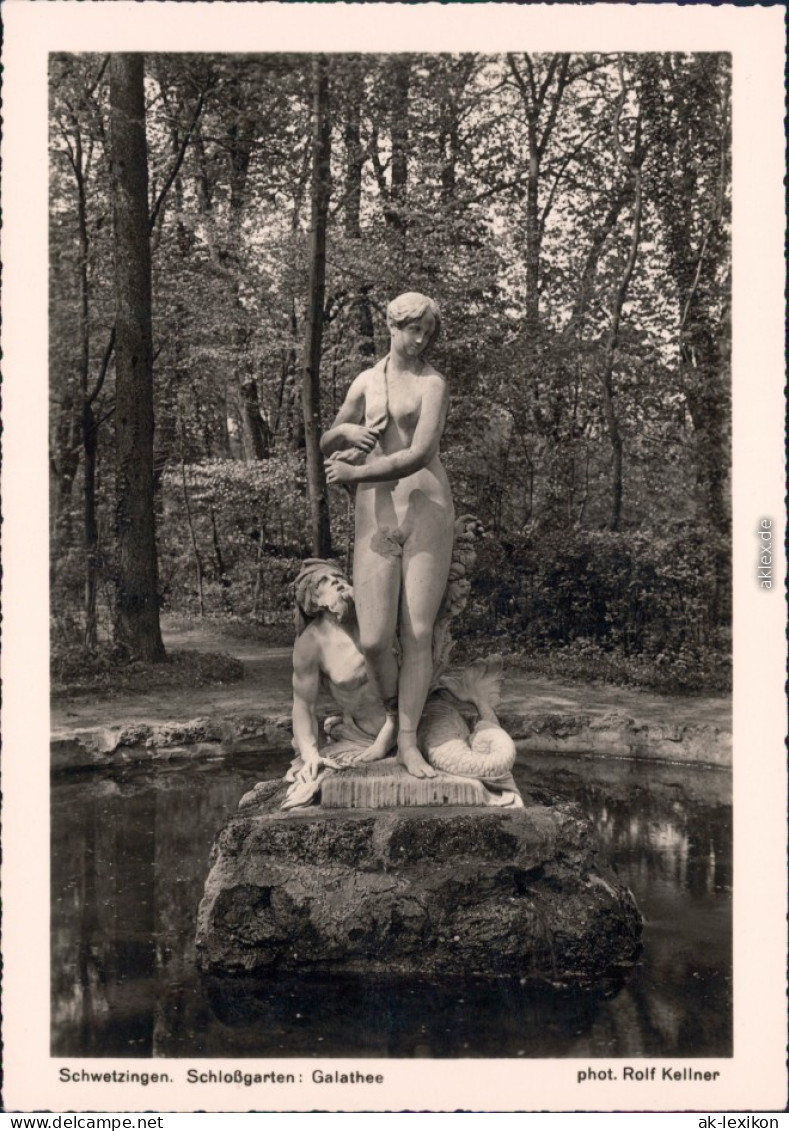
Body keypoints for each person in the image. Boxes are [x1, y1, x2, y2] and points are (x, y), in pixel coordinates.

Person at [321, 292, 454, 779]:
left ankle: (407, 742)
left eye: (426, 332)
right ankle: (394, 718)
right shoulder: (365, 382)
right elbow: (328, 438)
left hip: (426, 508)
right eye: (412, 329)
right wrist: (346, 438)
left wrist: (358, 472)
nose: (419, 340)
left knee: (417, 632)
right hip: (376, 512)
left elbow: (421, 452)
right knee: (375, 637)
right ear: (392, 327)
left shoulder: (432, 384)